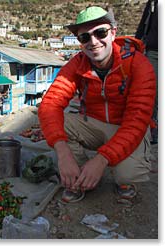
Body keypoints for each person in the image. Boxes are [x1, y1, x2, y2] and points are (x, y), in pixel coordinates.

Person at [38, 6, 156, 203]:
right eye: (85, 37)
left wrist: (101, 160)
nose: (93, 42)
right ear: (80, 43)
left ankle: (118, 178)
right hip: (94, 123)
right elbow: (50, 104)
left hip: (127, 127)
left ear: (113, 33)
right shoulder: (77, 64)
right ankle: (80, 176)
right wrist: (63, 152)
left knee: (125, 174)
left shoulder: (139, 64)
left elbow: (136, 121)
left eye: (100, 33)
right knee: (59, 123)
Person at [135, 0, 158, 144]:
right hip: (154, 50)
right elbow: (145, 22)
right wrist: (135, 44)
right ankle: (152, 128)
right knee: (151, 90)